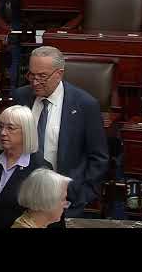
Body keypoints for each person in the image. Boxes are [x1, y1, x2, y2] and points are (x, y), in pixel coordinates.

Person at [12, 46, 108, 217]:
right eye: (31, 75)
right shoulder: (21, 96)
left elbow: (98, 157)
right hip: (22, 195)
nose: (34, 82)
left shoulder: (85, 105)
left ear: (59, 74)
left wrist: (82, 194)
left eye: (42, 76)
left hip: (65, 199)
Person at [0, 105, 52, 228]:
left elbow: (46, 218)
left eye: (10, 128)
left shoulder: (41, 169)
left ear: (26, 131)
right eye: (1, 127)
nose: (3, 133)